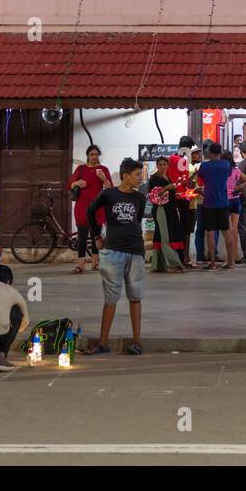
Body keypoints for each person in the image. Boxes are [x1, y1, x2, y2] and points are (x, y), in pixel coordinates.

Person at [85, 157, 148, 354]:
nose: (140, 178)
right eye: (137, 175)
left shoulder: (140, 197)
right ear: (126, 176)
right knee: (111, 299)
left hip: (136, 251)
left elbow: (136, 222)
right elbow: (90, 212)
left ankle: (137, 342)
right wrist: (97, 237)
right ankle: (103, 342)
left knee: (135, 297)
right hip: (112, 251)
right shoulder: (108, 194)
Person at [68, 145, 111, 274]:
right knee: (81, 236)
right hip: (82, 207)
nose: (94, 157)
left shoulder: (103, 169)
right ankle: (81, 265)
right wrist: (76, 182)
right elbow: (69, 184)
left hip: (97, 207)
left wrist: (103, 178)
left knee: (95, 236)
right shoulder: (81, 169)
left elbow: (110, 188)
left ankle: (95, 263)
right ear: (87, 155)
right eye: (91, 154)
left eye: (96, 154)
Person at [196, 142, 234, 269]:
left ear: (210, 153)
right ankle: (231, 262)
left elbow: (197, 179)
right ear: (220, 152)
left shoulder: (204, 166)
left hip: (209, 203)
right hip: (223, 203)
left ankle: (212, 263)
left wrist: (202, 191)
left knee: (210, 234)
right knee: (227, 233)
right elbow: (228, 176)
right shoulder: (226, 165)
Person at [147, 156, 186, 273]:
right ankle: (172, 264)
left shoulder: (166, 177)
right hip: (161, 209)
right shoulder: (155, 178)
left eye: (164, 164)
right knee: (166, 236)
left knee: (160, 235)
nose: (162, 166)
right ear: (157, 165)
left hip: (169, 209)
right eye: (160, 164)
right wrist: (167, 188)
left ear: (168, 165)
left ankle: (159, 265)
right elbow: (154, 195)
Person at [168, 136, 196, 265]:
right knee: (185, 229)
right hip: (182, 198)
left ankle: (174, 257)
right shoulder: (183, 162)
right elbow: (186, 183)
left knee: (172, 228)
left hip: (170, 198)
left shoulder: (168, 160)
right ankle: (185, 258)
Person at [225, 153, 246, 266]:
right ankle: (236, 255)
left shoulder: (222, 172)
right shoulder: (236, 171)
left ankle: (230, 258)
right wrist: (238, 188)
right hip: (236, 201)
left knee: (228, 230)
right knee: (234, 230)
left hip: (225, 201)